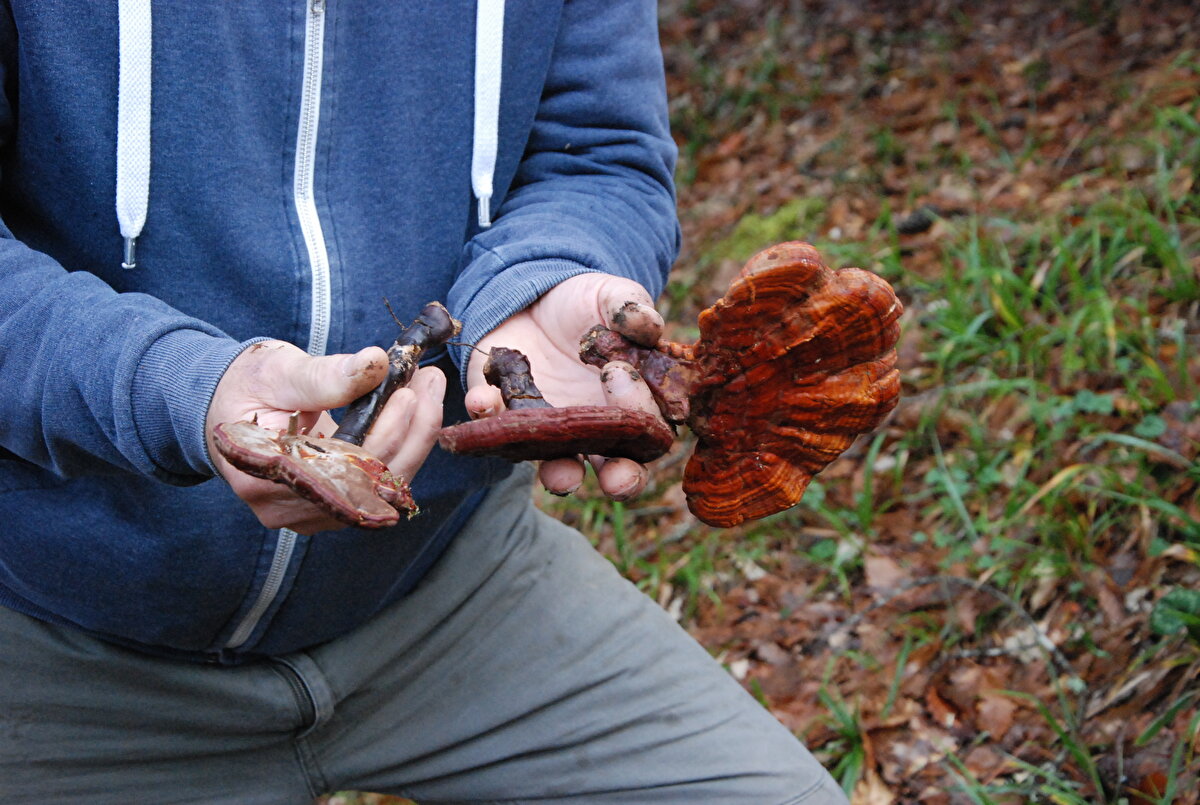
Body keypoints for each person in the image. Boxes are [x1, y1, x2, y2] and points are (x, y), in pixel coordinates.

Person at [0, 2, 846, 803]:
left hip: (446, 585)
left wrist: (539, 281)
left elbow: (599, 152)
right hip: (57, 621)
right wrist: (175, 388)